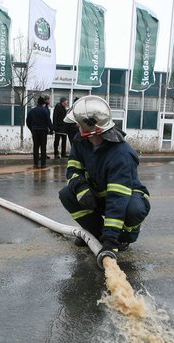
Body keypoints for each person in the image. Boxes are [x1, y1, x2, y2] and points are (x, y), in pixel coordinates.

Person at [59, 95, 151, 253]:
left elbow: (117, 198)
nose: (75, 126)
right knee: (67, 194)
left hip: (126, 199)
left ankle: (124, 237)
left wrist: (110, 242)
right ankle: (95, 233)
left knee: (133, 210)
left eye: (78, 123)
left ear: (89, 127)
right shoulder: (80, 141)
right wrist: (81, 187)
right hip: (100, 195)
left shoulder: (121, 154)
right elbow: (73, 169)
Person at [26, 95, 54, 168]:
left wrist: (31, 129)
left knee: (36, 147)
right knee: (43, 147)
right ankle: (43, 164)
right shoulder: (45, 111)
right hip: (43, 131)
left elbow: (27, 121)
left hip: (35, 131)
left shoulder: (32, 111)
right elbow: (48, 121)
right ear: (43, 103)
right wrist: (51, 130)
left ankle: (35, 164)